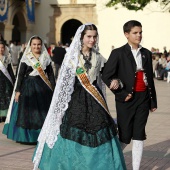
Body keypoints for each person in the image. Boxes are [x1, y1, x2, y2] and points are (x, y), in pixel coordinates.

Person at [33, 24, 126, 170]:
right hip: (75, 101)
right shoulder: (72, 57)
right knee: (73, 130)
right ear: (81, 38)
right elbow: (63, 83)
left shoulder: (98, 56)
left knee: (100, 130)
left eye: (94, 36)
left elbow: (109, 74)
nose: (92, 39)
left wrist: (116, 80)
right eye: (89, 36)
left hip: (95, 101)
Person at [102, 20, 157, 170]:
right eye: (135, 33)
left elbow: (150, 79)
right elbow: (106, 75)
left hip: (143, 98)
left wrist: (153, 101)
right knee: (125, 136)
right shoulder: (118, 53)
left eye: (140, 32)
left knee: (139, 134)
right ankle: (111, 163)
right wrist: (119, 91)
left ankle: (136, 168)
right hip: (126, 99)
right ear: (126, 34)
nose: (139, 35)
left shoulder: (146, 53)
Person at [3, 35, 55, 143]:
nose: (36, 46)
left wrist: (54, 90)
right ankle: (26, 137)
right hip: (28, 88)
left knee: (42, 112)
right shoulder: (26, 58)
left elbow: (50, 76)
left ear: (42, 45)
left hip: (43, 89)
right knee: (27, 112)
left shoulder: (46, 58)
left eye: (39, 44)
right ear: (30, 46)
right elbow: (20, 76)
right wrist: (17, 91)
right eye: (34, 44)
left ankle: (41, 136)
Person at [0, 41, 15, 122]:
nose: (1, 49)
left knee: (6, 98)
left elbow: (10, 71)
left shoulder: (7, 58)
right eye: (0, 48)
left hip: (6, 82)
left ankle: (5, 115)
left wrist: (14, 81)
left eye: (2, 48)